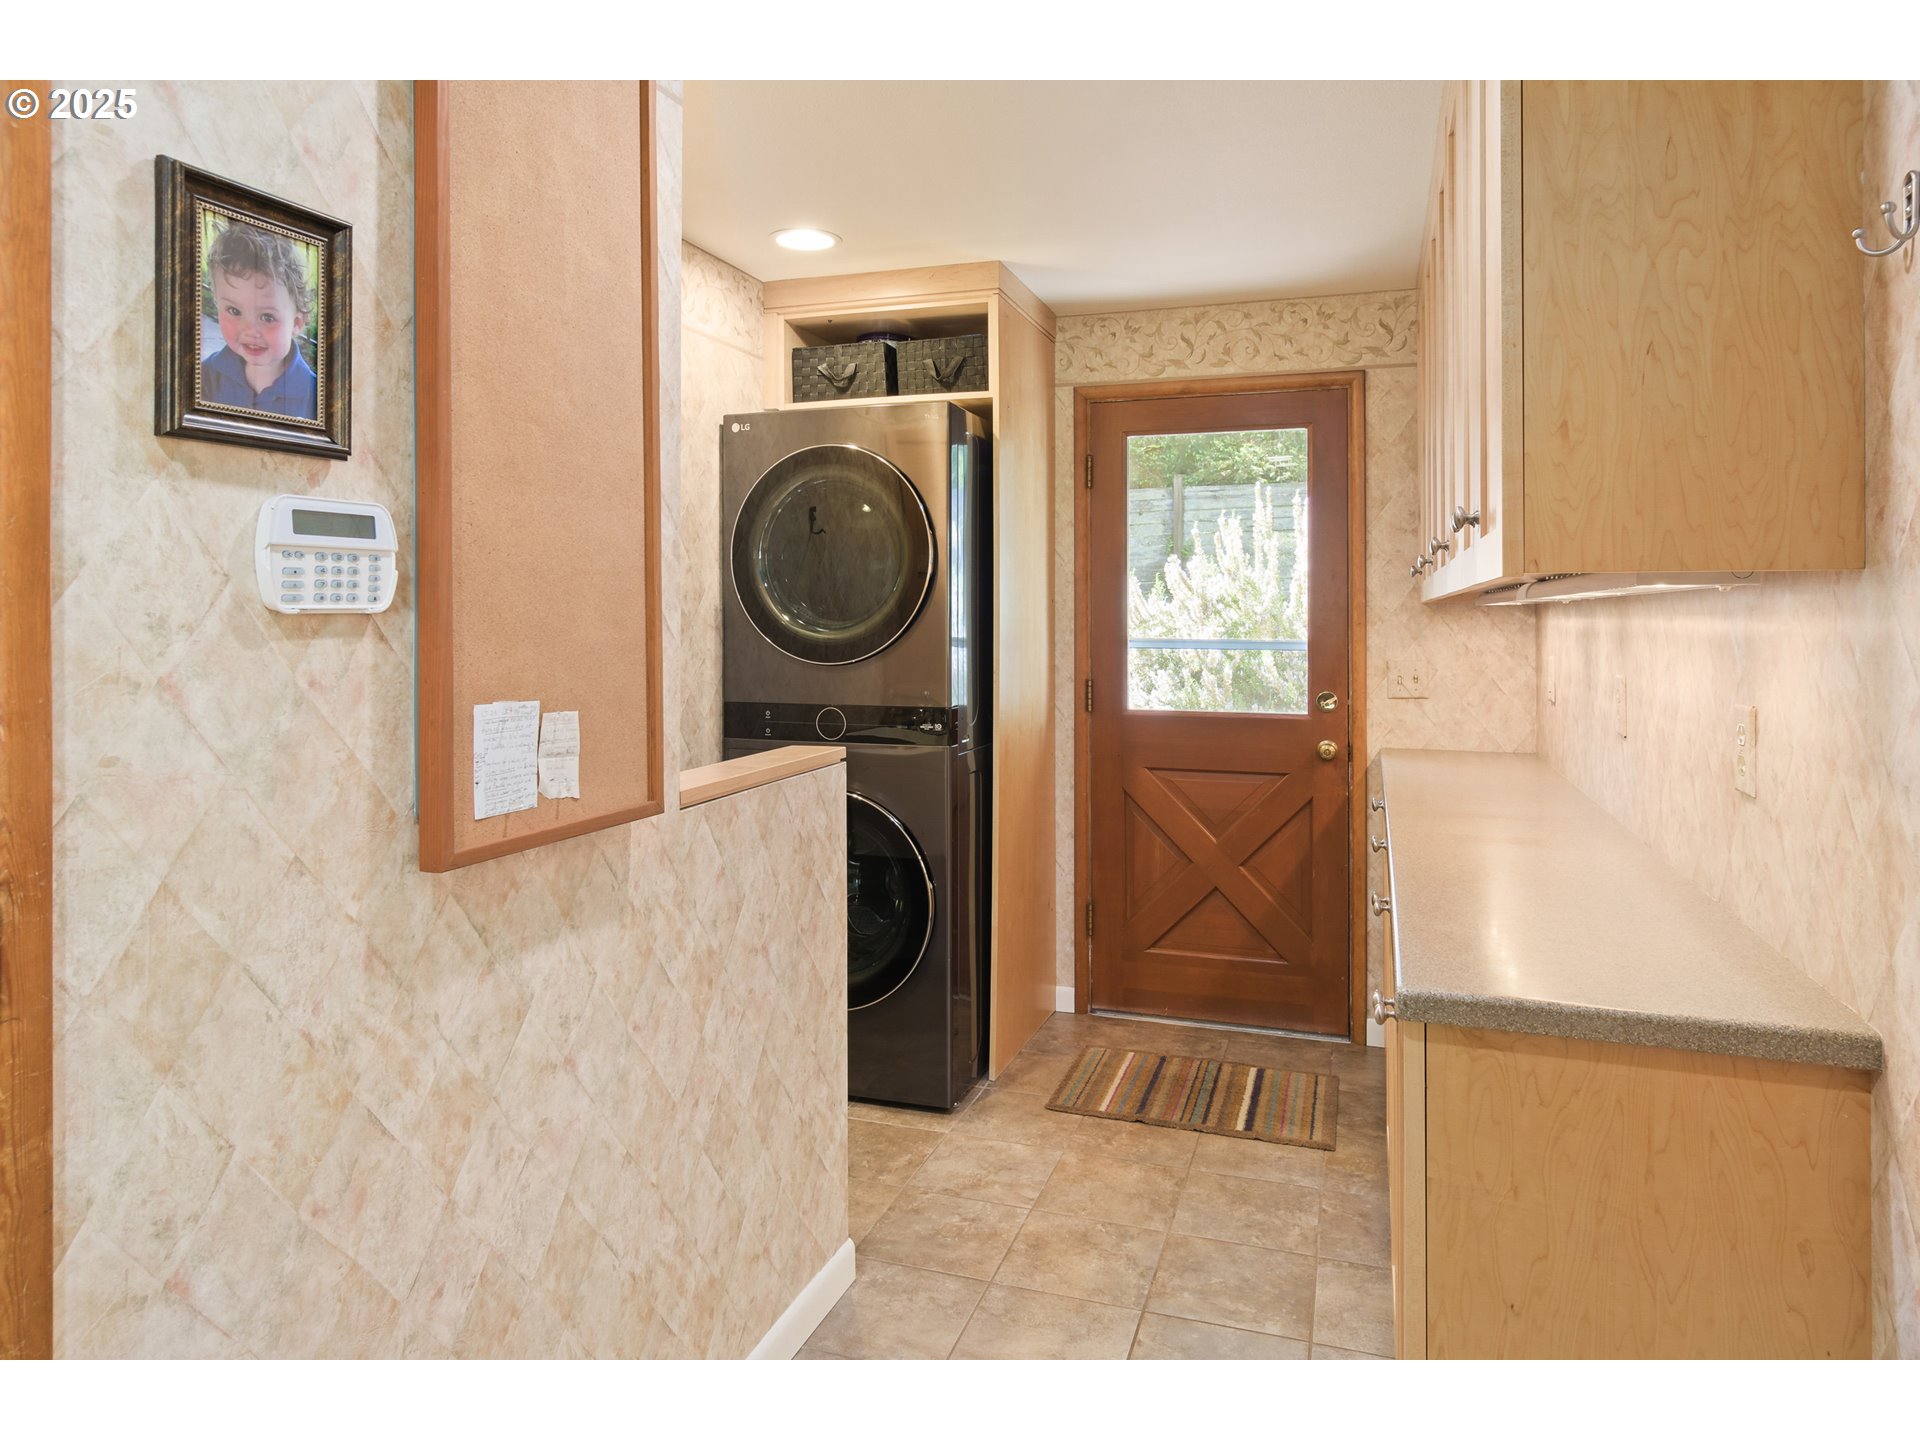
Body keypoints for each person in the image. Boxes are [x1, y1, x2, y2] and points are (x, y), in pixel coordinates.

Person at [199, 220, 319, 420]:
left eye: (267, 317)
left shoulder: (315, 396)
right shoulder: (206, 376)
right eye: (234, 311)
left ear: (297, 323)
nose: (249, 330)